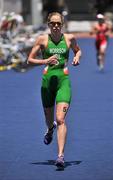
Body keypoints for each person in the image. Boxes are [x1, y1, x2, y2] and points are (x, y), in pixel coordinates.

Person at [28, 12, 82, 168]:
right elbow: (29, 60)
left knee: (61, 119)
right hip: (47, 84)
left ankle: (60, 156)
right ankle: (49, 129)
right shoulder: (42, 40)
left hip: (63, 82)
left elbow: (77, 50)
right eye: (53, 23)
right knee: (49, 119)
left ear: (62, 24)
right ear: (48, 24)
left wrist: (77, 57)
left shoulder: (69, 39)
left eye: (59, 23)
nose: (56, 26)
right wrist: (45, 60)